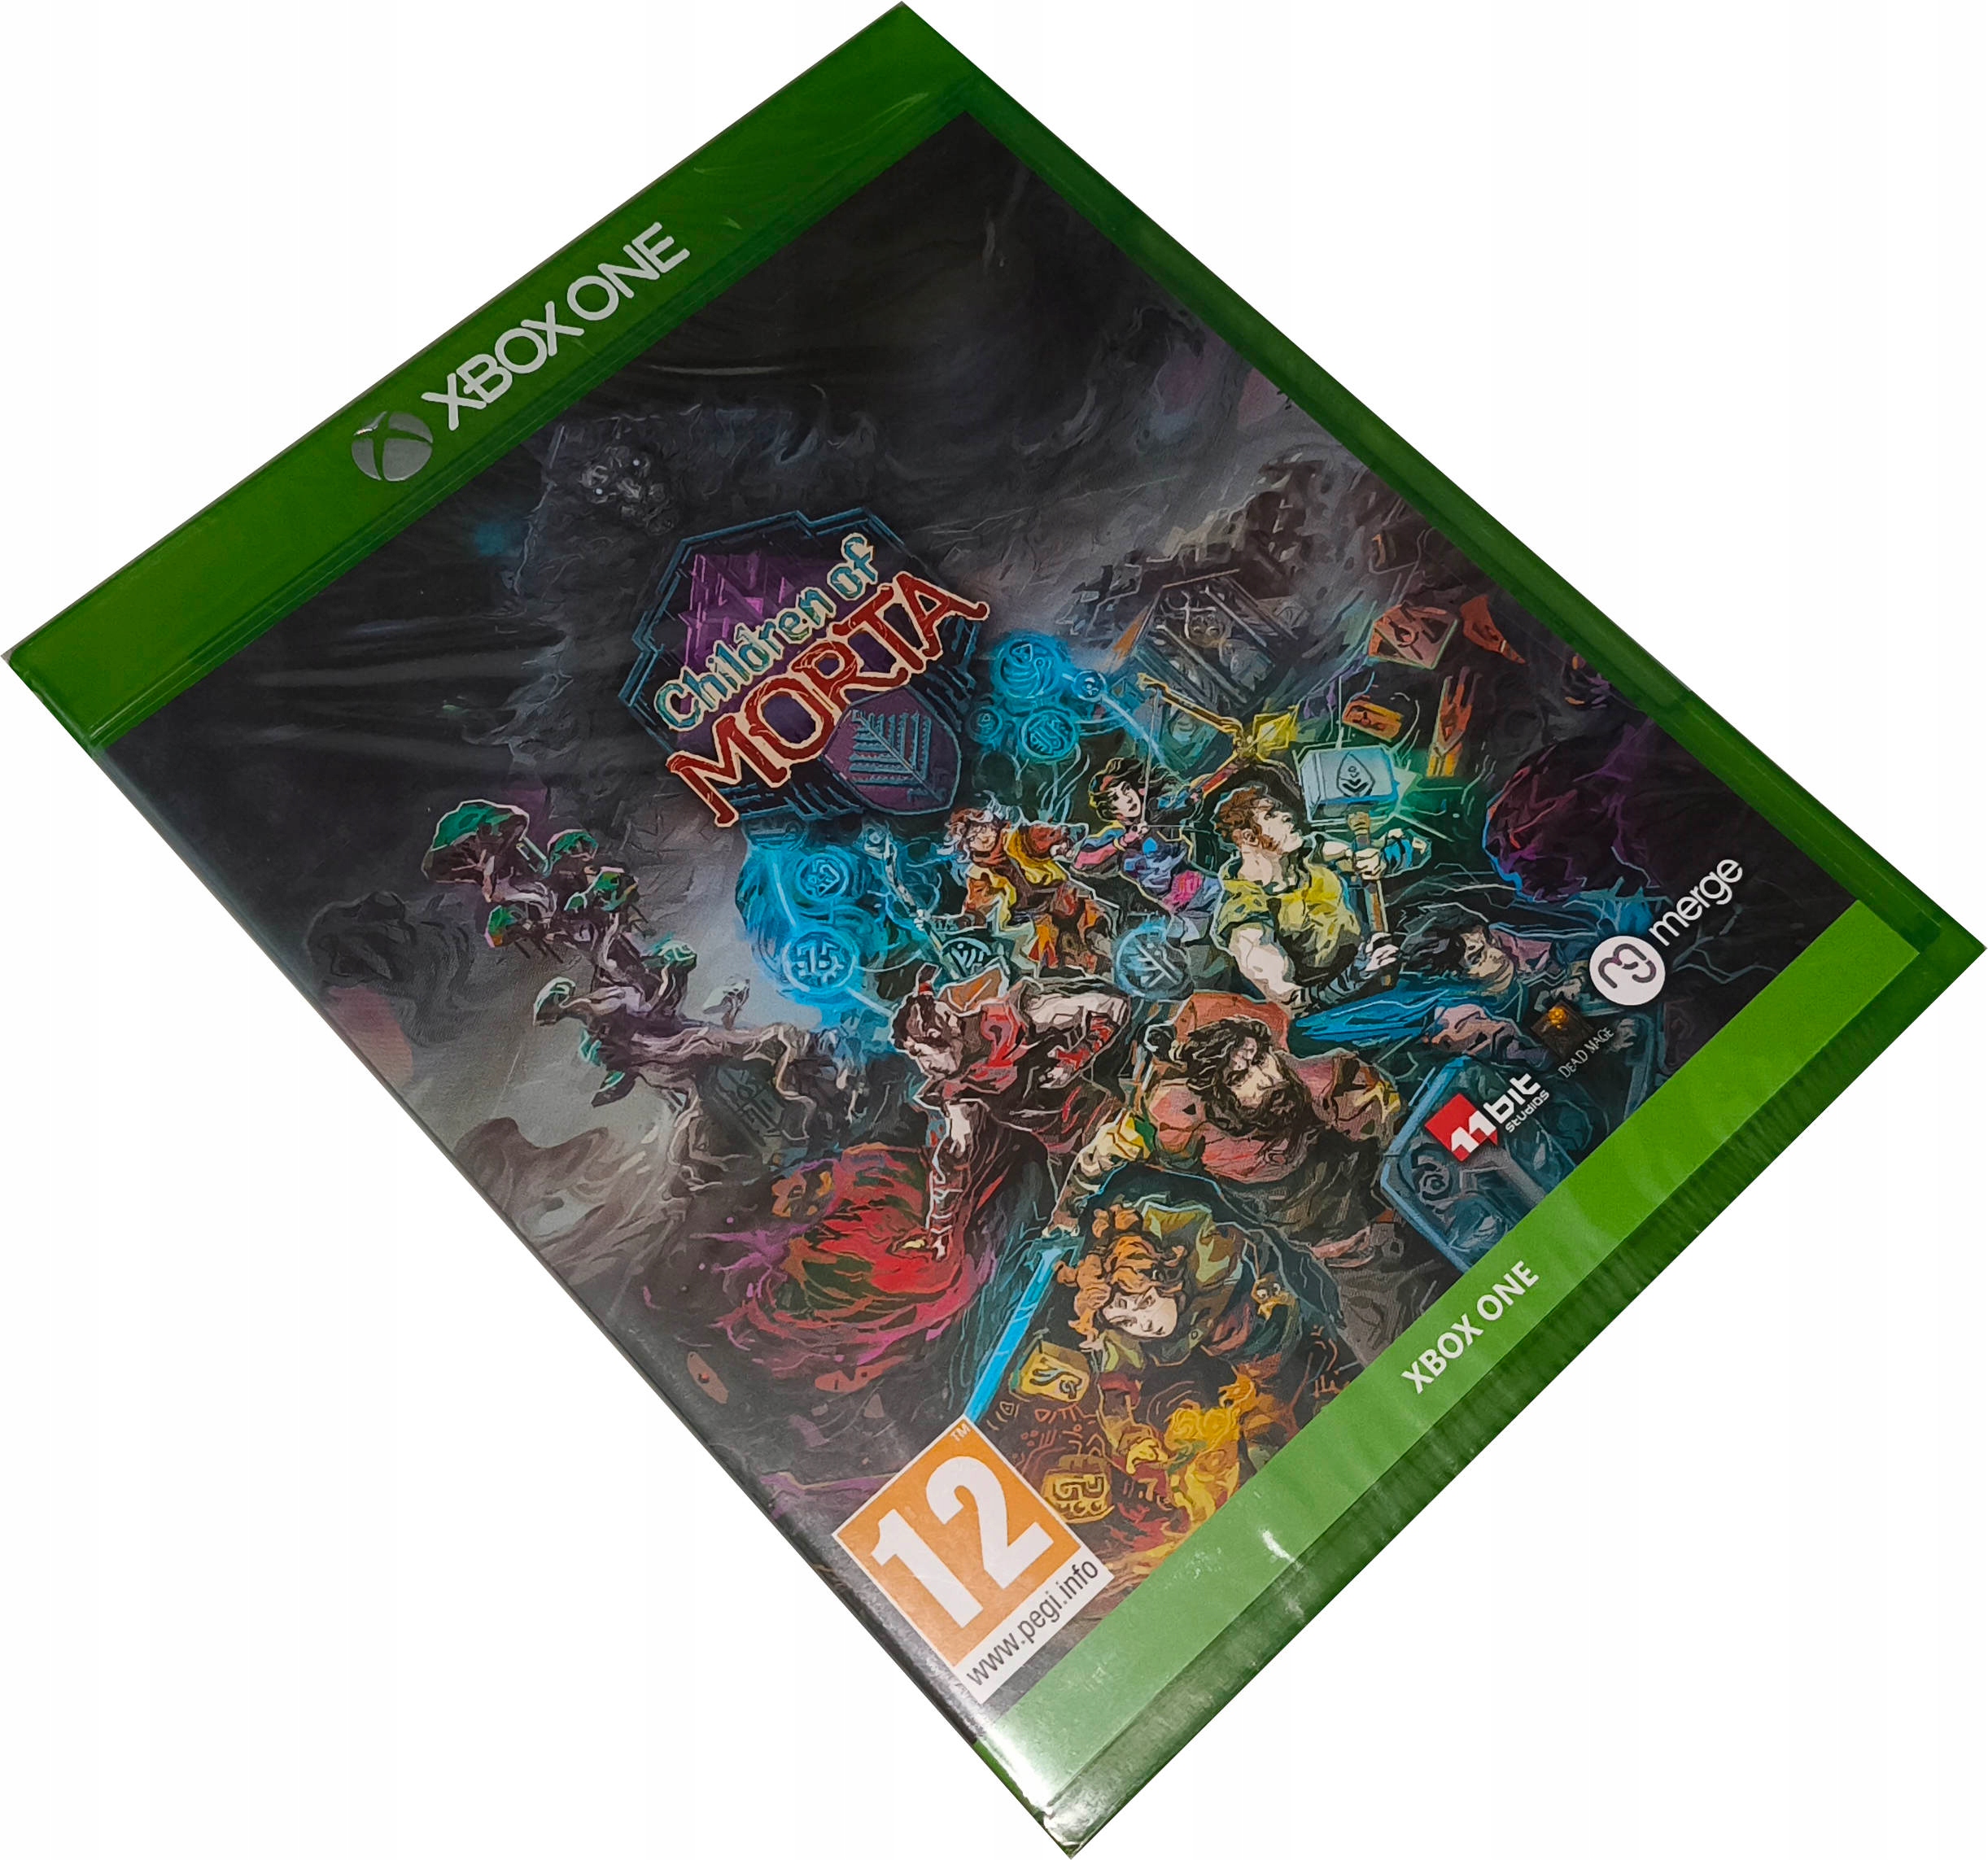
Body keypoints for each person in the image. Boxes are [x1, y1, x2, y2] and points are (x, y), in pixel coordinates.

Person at [1209, 784, 1429, 1006]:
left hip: (1387, 976)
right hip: (1338, 1011)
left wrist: (1384, 859)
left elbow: (1419, 847)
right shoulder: (1245, 920)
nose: (1287, 816)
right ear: (1250, 837)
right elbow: (1293, 1002)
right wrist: (1356, 975)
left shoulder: (1309, 855)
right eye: (1271, 815)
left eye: (1281, 810)